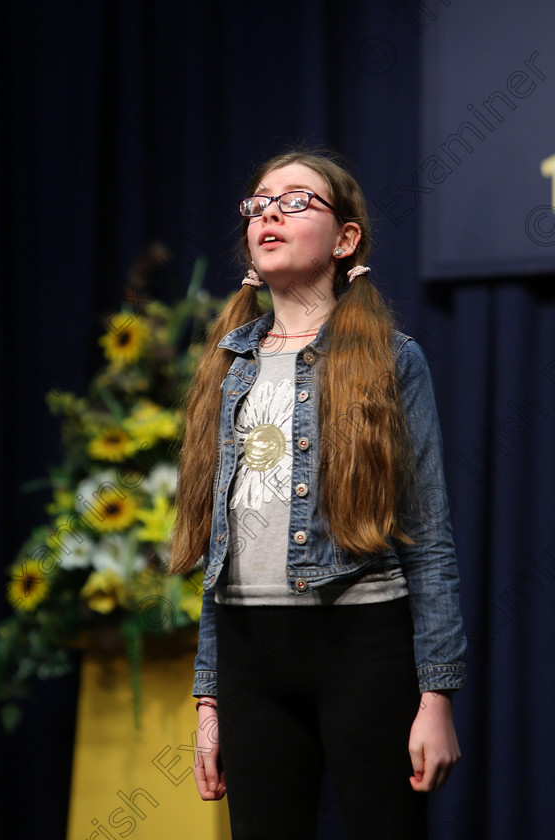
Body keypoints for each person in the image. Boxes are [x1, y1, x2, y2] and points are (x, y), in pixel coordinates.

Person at [169, 150, 467, 840]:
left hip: (362, 644)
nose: (269, 210)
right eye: (259, 202)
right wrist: (209, 699)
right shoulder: (227, 365)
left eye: (297, 200)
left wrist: (436, 696)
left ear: (345, 239)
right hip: (251, 653)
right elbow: (221, 551)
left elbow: (430, 536)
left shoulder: (391, 357)